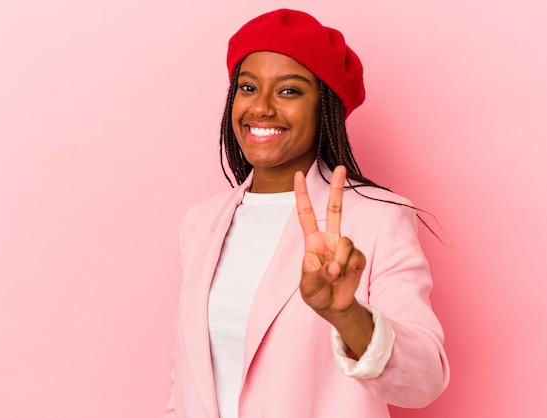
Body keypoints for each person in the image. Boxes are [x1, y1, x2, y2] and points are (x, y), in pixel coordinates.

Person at [164, 8, 449, 418]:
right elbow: (186, 382)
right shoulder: (200, 224)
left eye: (289, 91)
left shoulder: (378, 218)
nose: (260, 108)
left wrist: (346, 314)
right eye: (248, 87)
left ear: (326, 108)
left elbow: (424, 381)